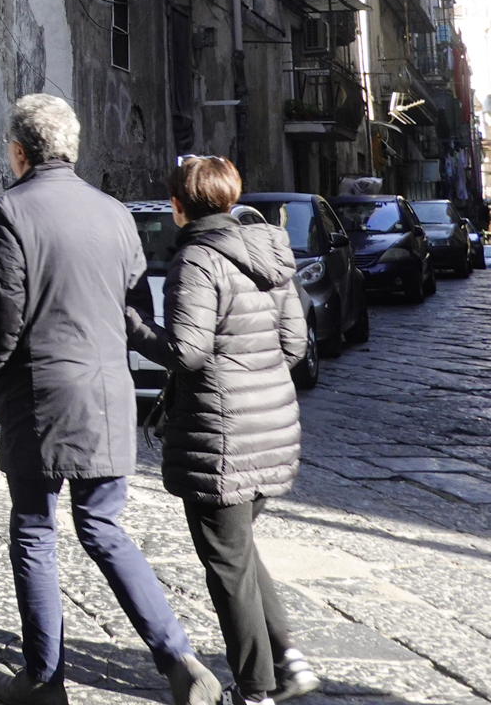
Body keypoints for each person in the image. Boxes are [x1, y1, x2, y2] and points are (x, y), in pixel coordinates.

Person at [0, 94, 220, 705]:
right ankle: (181, 660)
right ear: (71, 149)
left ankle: (44, 681)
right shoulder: (116, 214)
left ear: (19, 152)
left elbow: (3, 319)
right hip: (108, 395)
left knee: (35, 530)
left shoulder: (11, 210)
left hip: (39, 394)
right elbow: (137, 316)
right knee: (104, 527)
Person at [131, 156, 321, 705]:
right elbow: (293, 345)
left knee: (227, 564)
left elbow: (186, 352)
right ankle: (287, 661)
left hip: (221, 439)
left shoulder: (196, 258)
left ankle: (257, 688)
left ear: (178, 207)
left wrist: (131, 325)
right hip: (273, 429)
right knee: (238, 550)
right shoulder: (270, 252)